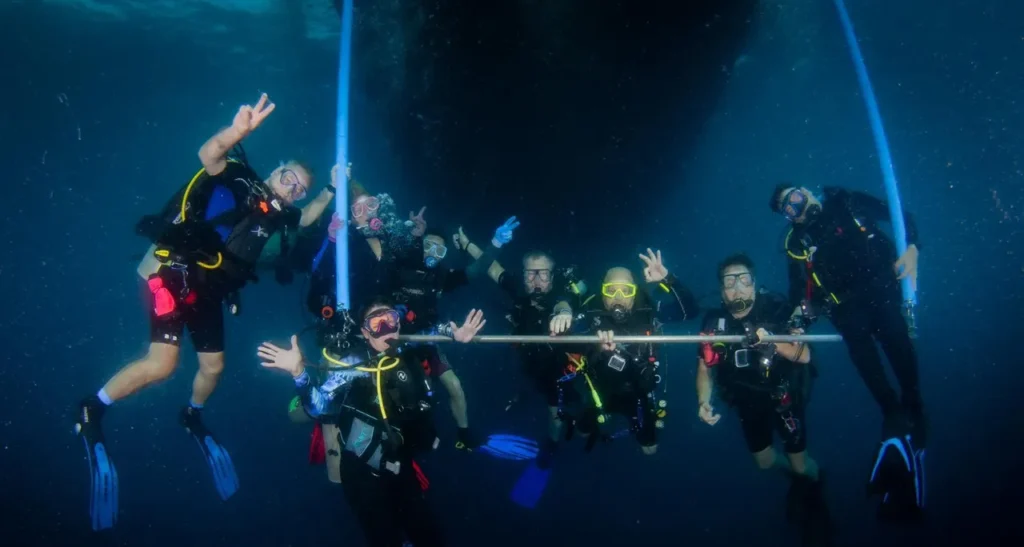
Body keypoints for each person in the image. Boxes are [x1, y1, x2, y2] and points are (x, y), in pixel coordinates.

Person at [74, 94, 332, 530]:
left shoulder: (279, 215)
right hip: (171, 273)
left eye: (298, 188)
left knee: (214, 368)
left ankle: (191, 415)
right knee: (163, 363)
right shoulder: (240, 178)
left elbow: (306, 219)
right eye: (288, 178)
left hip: (208, 291)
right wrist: (237, 132)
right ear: (275, 170)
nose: (291, 190)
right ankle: (91, 409)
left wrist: (329, 190)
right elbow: (209, 154)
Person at [257, 299, 488, 547]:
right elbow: (319, 407)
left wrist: (455, 333)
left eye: (391, 319)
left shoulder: (406, 348)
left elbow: (432, 333)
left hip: (401, 465)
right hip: (362, 473)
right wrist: (299, 374)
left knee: (429, 537)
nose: (386, 328)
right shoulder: (355, 364)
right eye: (377, 323)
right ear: (365, 333)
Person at [770, 184, 925, 521]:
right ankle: (892, 416)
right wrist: (795, 323)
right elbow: (799, 293)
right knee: (865, 360)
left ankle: (915, 412)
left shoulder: (847, 201)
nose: (796, 209)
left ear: (806, 190)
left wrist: (912, 247)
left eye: (795, 199)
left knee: (899, 349)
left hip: (883, 292)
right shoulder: (797, 243)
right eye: (788, 209)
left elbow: (901, 217)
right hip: (846, 310)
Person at [695, 253, 831, 546]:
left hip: (783, 398)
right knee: (765, 462)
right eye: (730, 282)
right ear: (722, 290)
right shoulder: (714, 322)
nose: (738, 288)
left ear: (754, 284)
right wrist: (703, 401)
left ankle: (814, 484)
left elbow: (804, 355)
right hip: (747, 402)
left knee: (800, 465)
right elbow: (705, 367)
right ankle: (798, 480)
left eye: (744, 280)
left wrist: (771, 340)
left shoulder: (777, 310)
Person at [569, 248, 699, 456]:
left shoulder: (648, 309)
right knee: (582, 431)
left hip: (639, 391)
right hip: (599, 391)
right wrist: (590, 341)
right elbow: (565, 335)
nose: (618, 298)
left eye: (626, 290)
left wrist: (667, 279)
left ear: (635, 292)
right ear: (602, 292)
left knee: (650, 448)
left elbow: (689, 311)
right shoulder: (592, 310)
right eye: (611, 290)